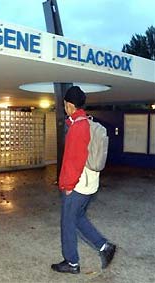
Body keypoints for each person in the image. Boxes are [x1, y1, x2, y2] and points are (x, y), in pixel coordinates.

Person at [51, 86, 116, 274]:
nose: (64, 107)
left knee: (67, 223)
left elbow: (74, 160)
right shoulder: (85, 122)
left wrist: (67, 185)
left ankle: (71, 263)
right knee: (77, 217)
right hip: (90, 183)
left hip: (78, 185)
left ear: (69, 105)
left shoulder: (78, 127)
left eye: (64, 104)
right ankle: (105, 247)